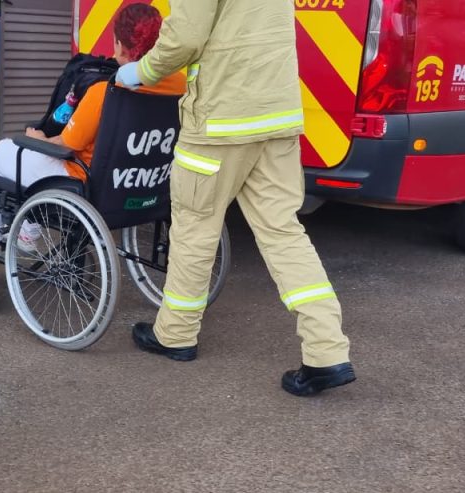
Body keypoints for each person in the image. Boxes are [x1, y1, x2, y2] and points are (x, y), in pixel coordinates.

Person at [115, 0, 356, 397]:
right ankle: (327, 351)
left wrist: (142, 71)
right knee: (283, 233)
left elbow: (187, 36)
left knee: (195, 227)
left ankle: (175, 334)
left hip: (220, 121)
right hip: (276, 117)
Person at [0, 3, 183, 254]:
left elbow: (67, 145)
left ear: (118, 44)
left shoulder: (105, 91)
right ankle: (26, 234)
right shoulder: (179, 84)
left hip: (87, 184)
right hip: (145, 183)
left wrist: (37, 137)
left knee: (3, 150)